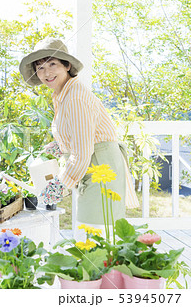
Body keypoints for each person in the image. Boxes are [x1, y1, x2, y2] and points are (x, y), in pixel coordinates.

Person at [19, 38, 139, 237]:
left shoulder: (74, 97)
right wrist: (61, 146)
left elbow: (82, 153)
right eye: (40, 67)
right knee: (94, 237)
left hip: (100, 169)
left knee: (95, 237)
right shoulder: (63, 94)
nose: (46, 72)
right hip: (91, 168)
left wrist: (59, 185)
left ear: (66, 65)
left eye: (52, 64)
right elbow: (82, 135)